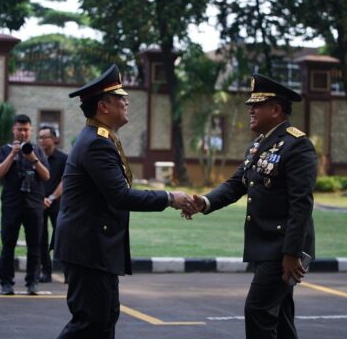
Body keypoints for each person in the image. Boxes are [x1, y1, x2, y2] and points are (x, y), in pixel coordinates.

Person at [54, 64, 196, 339]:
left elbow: (116, 188)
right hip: (88, 249)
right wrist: (170, 198)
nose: (126, 101)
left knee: (104, 320)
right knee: (89, 323)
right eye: (120, 97)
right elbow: (120, 195)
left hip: (95, 248)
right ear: (103, 106)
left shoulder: (102, 139)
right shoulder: (96, 143)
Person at [190, 73, 317, 339]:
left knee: (258, 311)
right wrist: (204, 202)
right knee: (280, 317)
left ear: (276, 109)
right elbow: (237, 184)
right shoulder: (259, 145)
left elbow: (301, 205)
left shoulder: (297, 146)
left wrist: (291, 253)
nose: (250, 110)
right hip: (267, 247)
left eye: (256, 105)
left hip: (282, 248)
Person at [0, 114, 50, 295]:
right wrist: (12, 154)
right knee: (8, 244)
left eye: (26, 130)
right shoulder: (4, 150)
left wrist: (32, 158)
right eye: (19, 129)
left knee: (35, 245)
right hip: (12, 204)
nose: (23, 133)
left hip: (34, 204)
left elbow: (46, 176)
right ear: (13, 130)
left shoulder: (38, 151)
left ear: (31, 131)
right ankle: (6, 283)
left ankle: (32, 282)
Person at [37, 125, 68, 283]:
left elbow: (65, 181)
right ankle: (45, 271)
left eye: (45, 137)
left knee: (62, 237)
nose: (42, 140)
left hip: (57, 202)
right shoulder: (36, 157)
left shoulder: (63, 158)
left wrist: (51, 197)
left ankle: (68, 272)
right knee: (41, 238)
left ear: (54, 139)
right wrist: (42, 198)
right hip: (39, 203)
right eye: (40, 137)